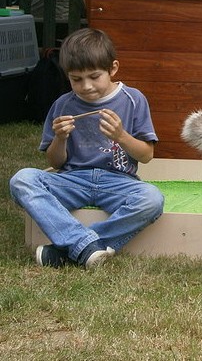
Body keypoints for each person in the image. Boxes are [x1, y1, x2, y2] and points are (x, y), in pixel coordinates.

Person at [9, 28, 164, 269]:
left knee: (151, 199)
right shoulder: (63, 104)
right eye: (76, 79)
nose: (87, 86)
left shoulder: (133, 99)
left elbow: (146, 155)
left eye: (94, 76)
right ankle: (85, 245)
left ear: (113, 69)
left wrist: (121, 136)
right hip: (73, 180)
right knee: (22, 179)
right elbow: (57, 163)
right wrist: (60, 138)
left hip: (118, 181)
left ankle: (70, 248)